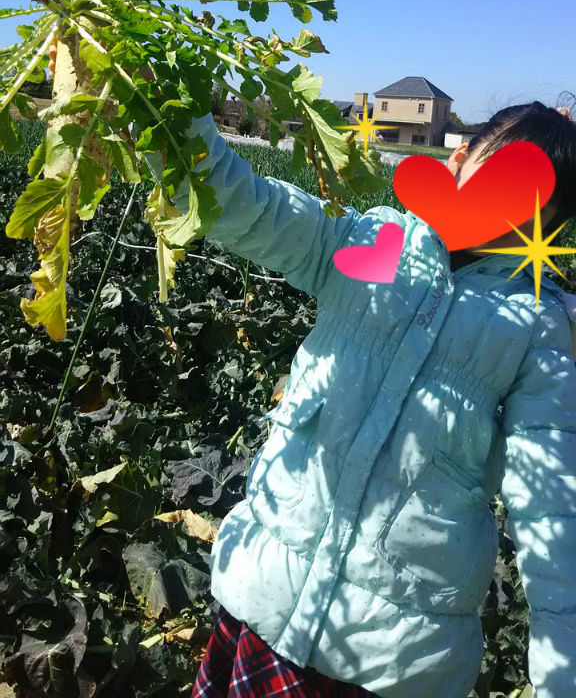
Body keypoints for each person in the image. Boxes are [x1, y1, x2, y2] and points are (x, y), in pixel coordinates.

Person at [165, 99, 576, 698]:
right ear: (458, 159)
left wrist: (562, 675)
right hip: (268, 596)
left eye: (530, 208)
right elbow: (244, 205)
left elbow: (552, 512)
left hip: (393, 656)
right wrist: (171, 113)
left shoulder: (534, 329)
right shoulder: (372, 241)